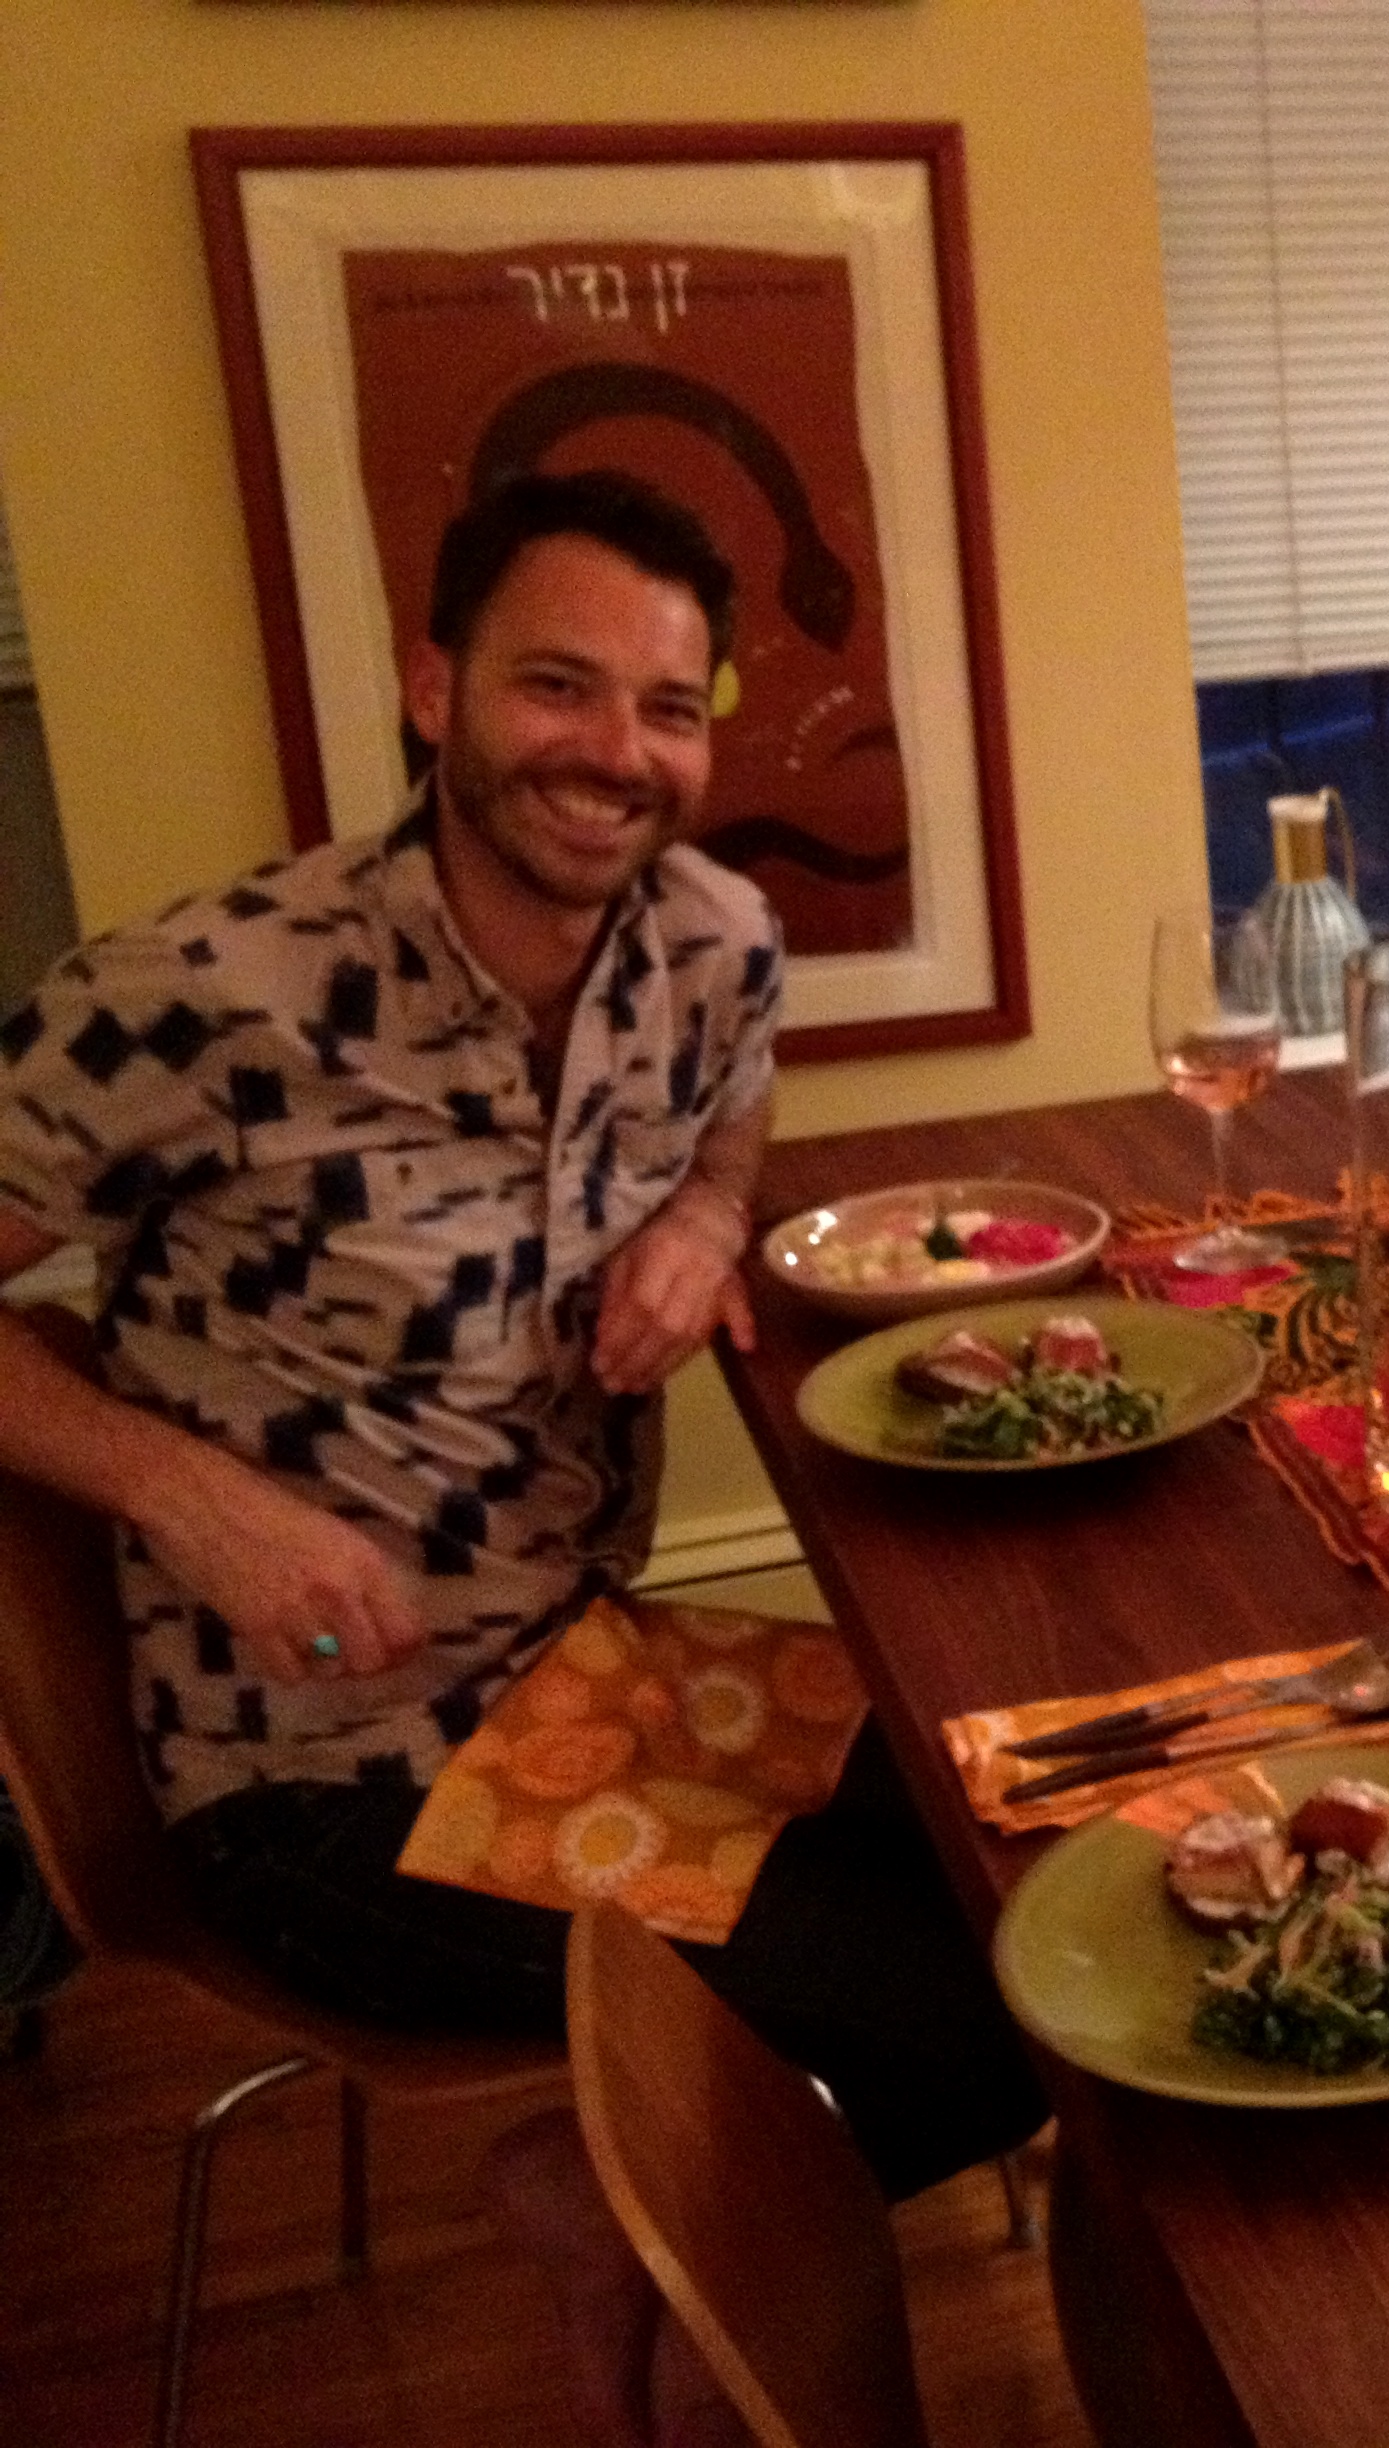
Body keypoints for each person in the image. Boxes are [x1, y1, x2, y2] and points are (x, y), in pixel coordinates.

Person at [0, 469, 1043, 2445]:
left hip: (596, 1671)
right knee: (972, 2003)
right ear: (436, 689)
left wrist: (704, 1219)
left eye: (665, 706)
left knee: (1039, 1851)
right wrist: (186, 1495)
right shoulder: (213, 995)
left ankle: (626, 2193)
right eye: (558, 686)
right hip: (324, 1768)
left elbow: (732, 1121)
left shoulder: (715, 945)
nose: (614, 754)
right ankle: (661, 2256)